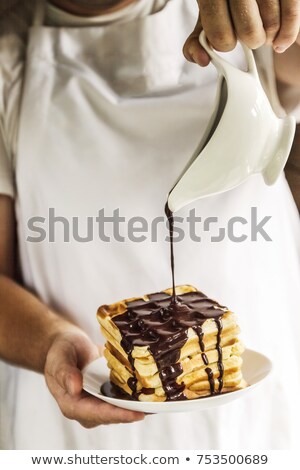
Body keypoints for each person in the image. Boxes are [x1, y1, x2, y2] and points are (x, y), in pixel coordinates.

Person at [0, 0, 300, 450]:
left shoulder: (238, 16)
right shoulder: (8, 55)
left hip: (256, 420)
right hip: (80, 433)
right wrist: (52, 342)